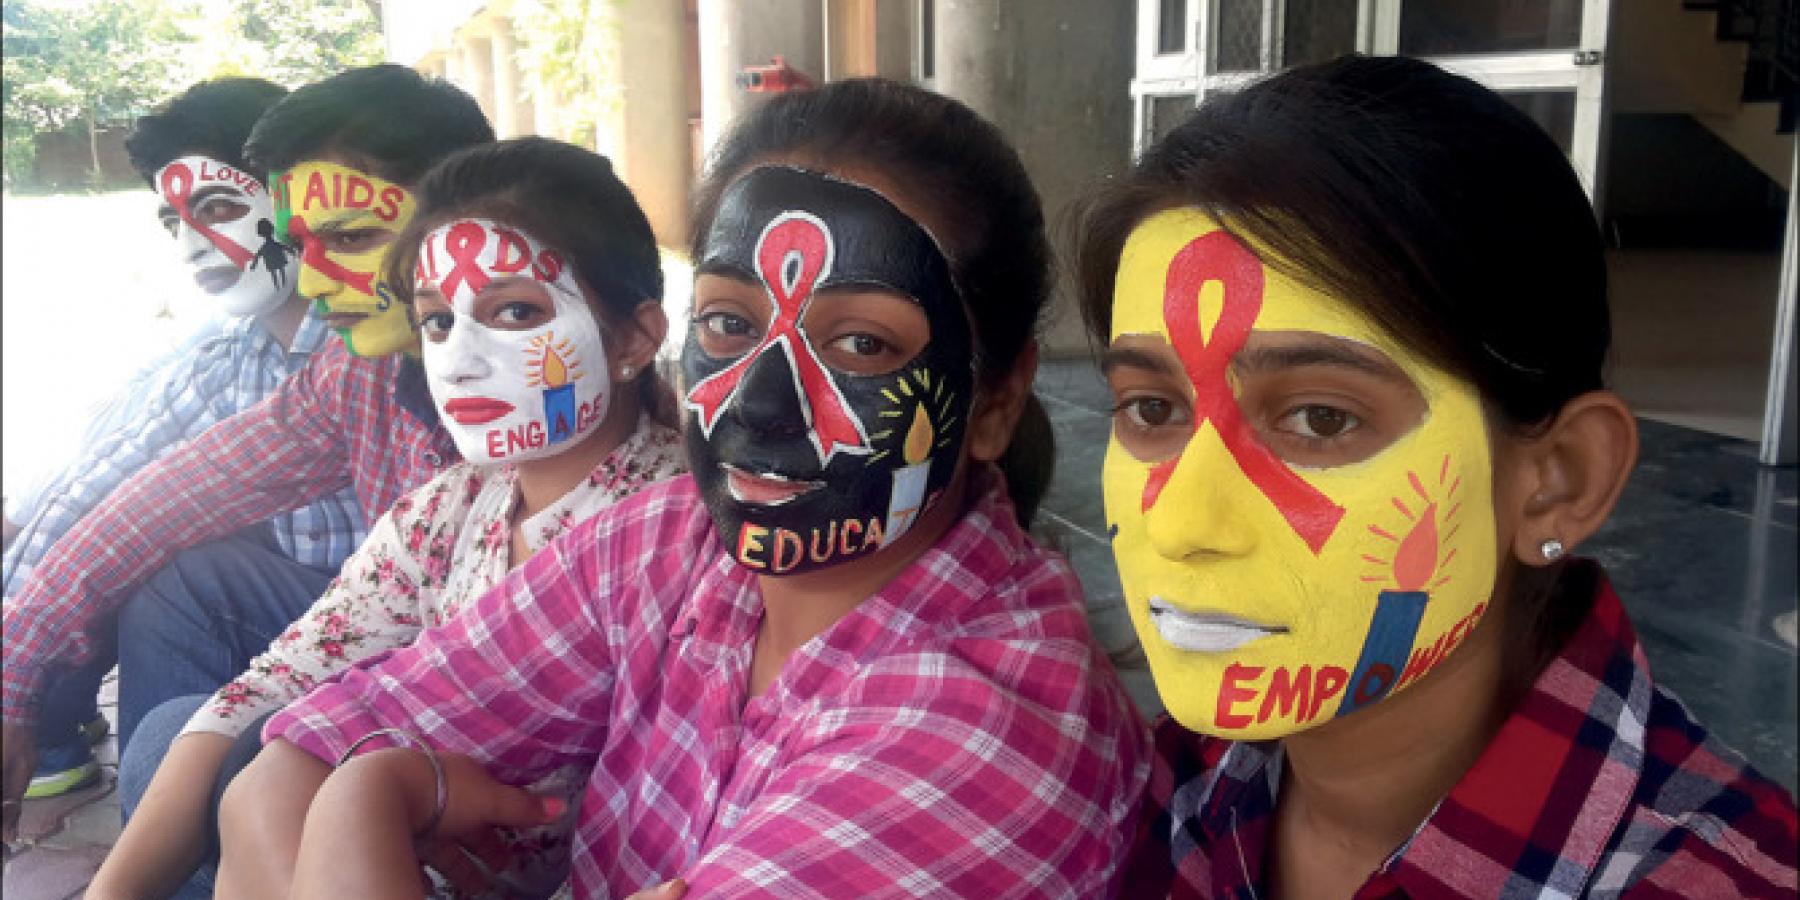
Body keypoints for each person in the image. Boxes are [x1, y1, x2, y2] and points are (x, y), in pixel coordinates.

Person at [215, 77, 1150, 899]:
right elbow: (291, 761)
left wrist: (364, 802)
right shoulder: (666, 541)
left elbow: (331, 774)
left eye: (862, 343)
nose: (763, 409)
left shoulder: (985, 742)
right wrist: (349, 787)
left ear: (994, 399)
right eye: (731, 325)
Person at [1074, 55, 1799, 897]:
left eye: (1321, 418)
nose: (1181, 524)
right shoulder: (1183, 777)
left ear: (1559, 479)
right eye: (1152, 410)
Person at [91, 137, 686, 900]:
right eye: (437, 323)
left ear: (635, 337)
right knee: (184, 742)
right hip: (391, 846)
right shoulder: (454, 507)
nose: (462, 360)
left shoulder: (677, 527)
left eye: (514, 311)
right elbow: (281, 679)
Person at [0, 64, 495, 840]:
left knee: (183, 753)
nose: (322, 277)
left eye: (354, 237)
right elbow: (149, 502)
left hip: (489, 735)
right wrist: (11, 678)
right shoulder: (353, 369)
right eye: (305, 244)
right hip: (393, 644)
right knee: (183, 691)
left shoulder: (556, 395)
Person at [0, 76, 363, 801]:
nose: (193, 245)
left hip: (422, 628)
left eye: (220, 207)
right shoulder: (236, 354)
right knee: (149, 564)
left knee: (180, 575)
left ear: (298, 202)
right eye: (172, 221)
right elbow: (111, 490)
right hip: (329, 608)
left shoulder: (370, 344)